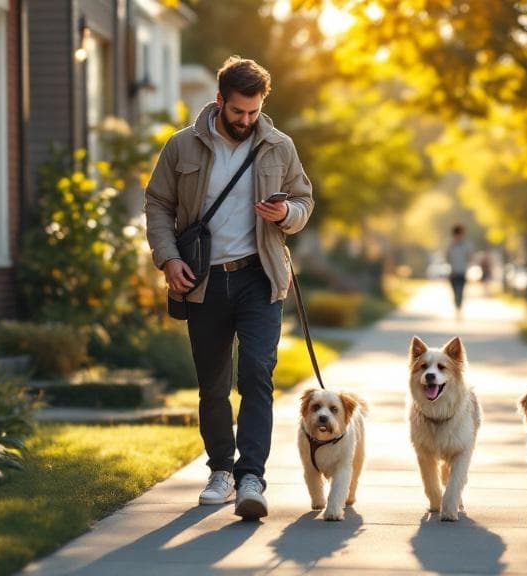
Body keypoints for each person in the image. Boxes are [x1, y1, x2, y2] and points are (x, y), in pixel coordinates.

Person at [145, 56, 313, 520]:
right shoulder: (182, 147)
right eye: (238, 111)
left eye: (253, 112)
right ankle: (221, 468)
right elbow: (157, 203)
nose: (245, 120)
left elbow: (304, 199)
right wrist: (169, 258)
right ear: (219, 100)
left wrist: (288, 215)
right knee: (213, 383)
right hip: (203, 280)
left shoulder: (279, 146)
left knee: (257, 374)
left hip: (260, 276)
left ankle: (251, 477)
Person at [446, 224, 472, 318]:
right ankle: (457, 307)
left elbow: (469, 257)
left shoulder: (466, 245)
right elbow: (447, 257)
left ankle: (459, 308)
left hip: (462, 272)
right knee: (454, 292)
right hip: (453, 273)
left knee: (460, 291)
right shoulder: (451, 245)